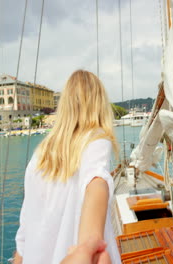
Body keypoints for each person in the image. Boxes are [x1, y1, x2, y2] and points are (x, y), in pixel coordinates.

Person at [13, 70, 121, 264]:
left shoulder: (40, 154)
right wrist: (89, 244)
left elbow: (25, 227)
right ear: (99, 103)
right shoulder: (96, 139)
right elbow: (96, 182)